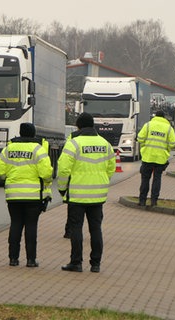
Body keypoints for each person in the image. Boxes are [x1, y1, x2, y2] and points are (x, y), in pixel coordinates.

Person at [57, 113, 115, 273]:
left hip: (77, 194)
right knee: (96, 229)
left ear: (78, 126)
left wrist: (62, 189)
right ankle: (95, 264)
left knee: (76, 228)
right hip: (98, 195)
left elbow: (63, 169)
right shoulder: (105, 144)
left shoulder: (74, 144)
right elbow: (111, 168)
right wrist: (101, 182)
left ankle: (76, 262)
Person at [0, 123, 53, 268]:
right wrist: (46, 183)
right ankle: (31, 260)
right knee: (31, 227)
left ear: (20, 133)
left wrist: (9, 177)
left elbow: (0, 170)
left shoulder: (9, 149)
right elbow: (46, 173)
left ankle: (13, 259)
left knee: (15, 225)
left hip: (13, 195)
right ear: (33, 134)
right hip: (33, 196)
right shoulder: (38, 149)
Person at [137, 110, 175, 207]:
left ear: (155, 116)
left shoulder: (148, 125)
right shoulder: (168, 128)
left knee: (145, 179)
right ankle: (154, 201)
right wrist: (166, 149)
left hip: (148, 157)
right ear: (164, 118)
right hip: (160, 159)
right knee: (157, 179)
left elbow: (140, 138)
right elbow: (173, 144)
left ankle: (142, 201)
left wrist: (144, 147)